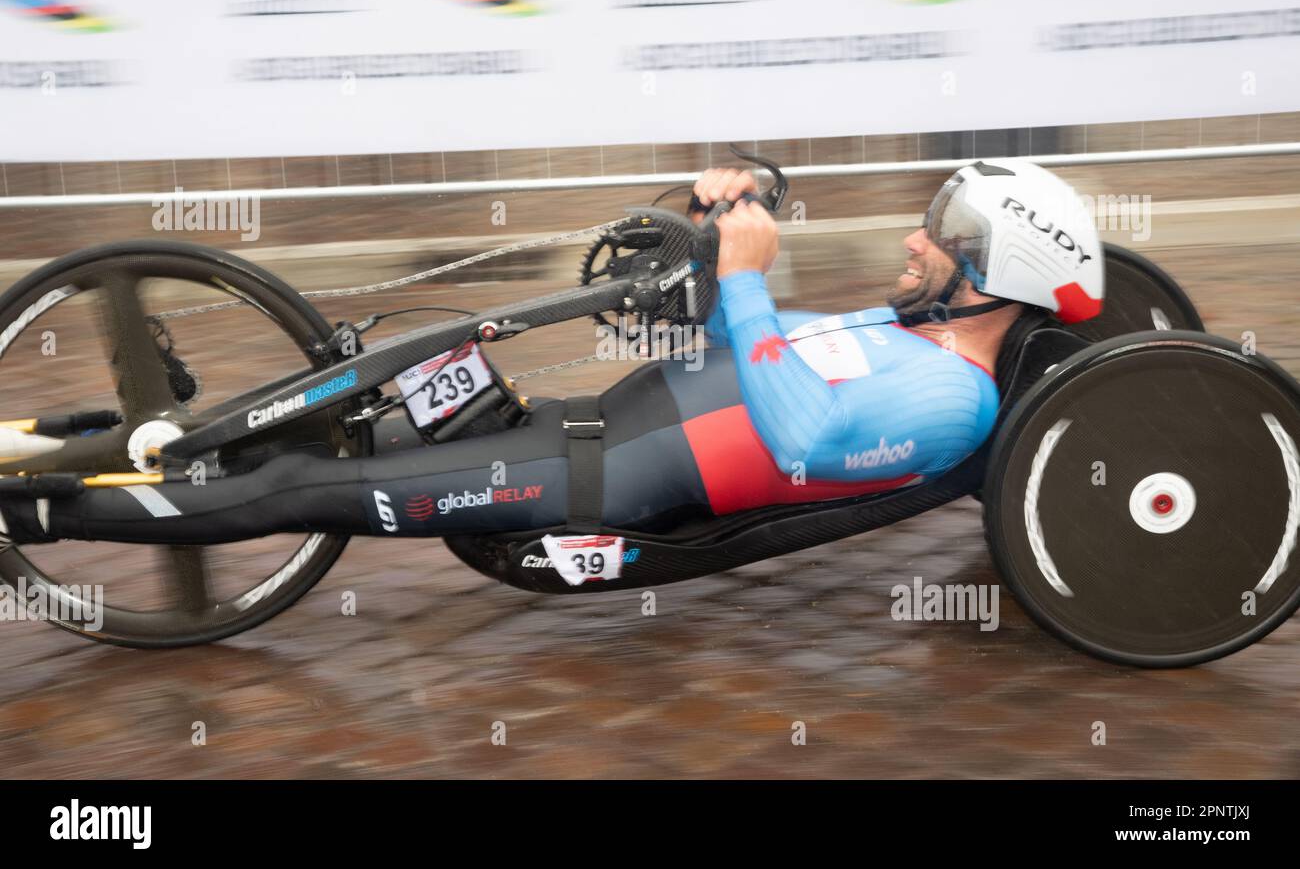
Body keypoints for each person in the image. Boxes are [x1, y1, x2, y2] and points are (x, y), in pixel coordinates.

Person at [0, 160, 1103, 546]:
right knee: (299, 415)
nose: (916, 240)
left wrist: (756, 276)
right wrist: (725, 234)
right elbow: (747, 345)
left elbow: (803, 437)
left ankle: (36, 511)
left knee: (298, 483)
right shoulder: (904, 326)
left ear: (992, 274)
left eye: (943, 239)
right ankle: (56, 441)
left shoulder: (953, 402)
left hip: (588, 479)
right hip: (570, 421)